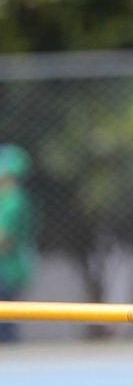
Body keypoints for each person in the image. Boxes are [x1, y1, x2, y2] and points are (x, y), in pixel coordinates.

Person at [0, 144, 36, 344]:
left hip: (8, 269)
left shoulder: (13, 200)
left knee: (5, 320)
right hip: (7, 267)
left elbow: (4, 240)